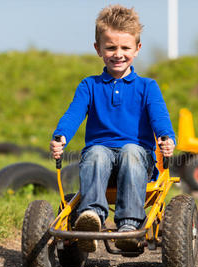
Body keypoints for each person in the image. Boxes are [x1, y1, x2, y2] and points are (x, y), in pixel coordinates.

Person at [50, 4, 175, 253]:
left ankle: (129, 225)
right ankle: (92, 217)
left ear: (137, 49)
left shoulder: (147, 87)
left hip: (137, 159)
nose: (118, 54)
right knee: (95, 151)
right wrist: (61, 135)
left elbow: (160, 117)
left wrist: (167, 138)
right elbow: (74, 113)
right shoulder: (90, 85)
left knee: (130, 150)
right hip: (100, 161)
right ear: (98, 49)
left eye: (125, 48)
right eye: (110, 47)